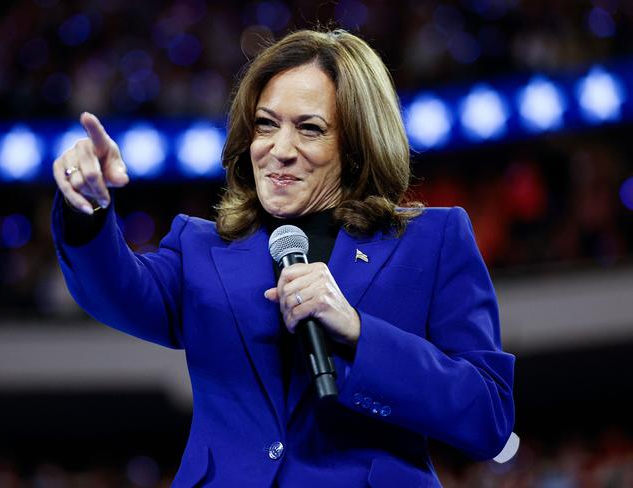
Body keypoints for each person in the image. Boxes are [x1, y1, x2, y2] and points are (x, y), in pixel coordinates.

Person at [51, 29, 515, 488]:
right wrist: (87, 210)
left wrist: (358, 332)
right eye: (266, 124)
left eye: (309, 128)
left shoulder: (432, 240)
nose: (280, 150)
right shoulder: (200, 248)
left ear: (355, 145)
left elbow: (487, 416)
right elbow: (115, 290)